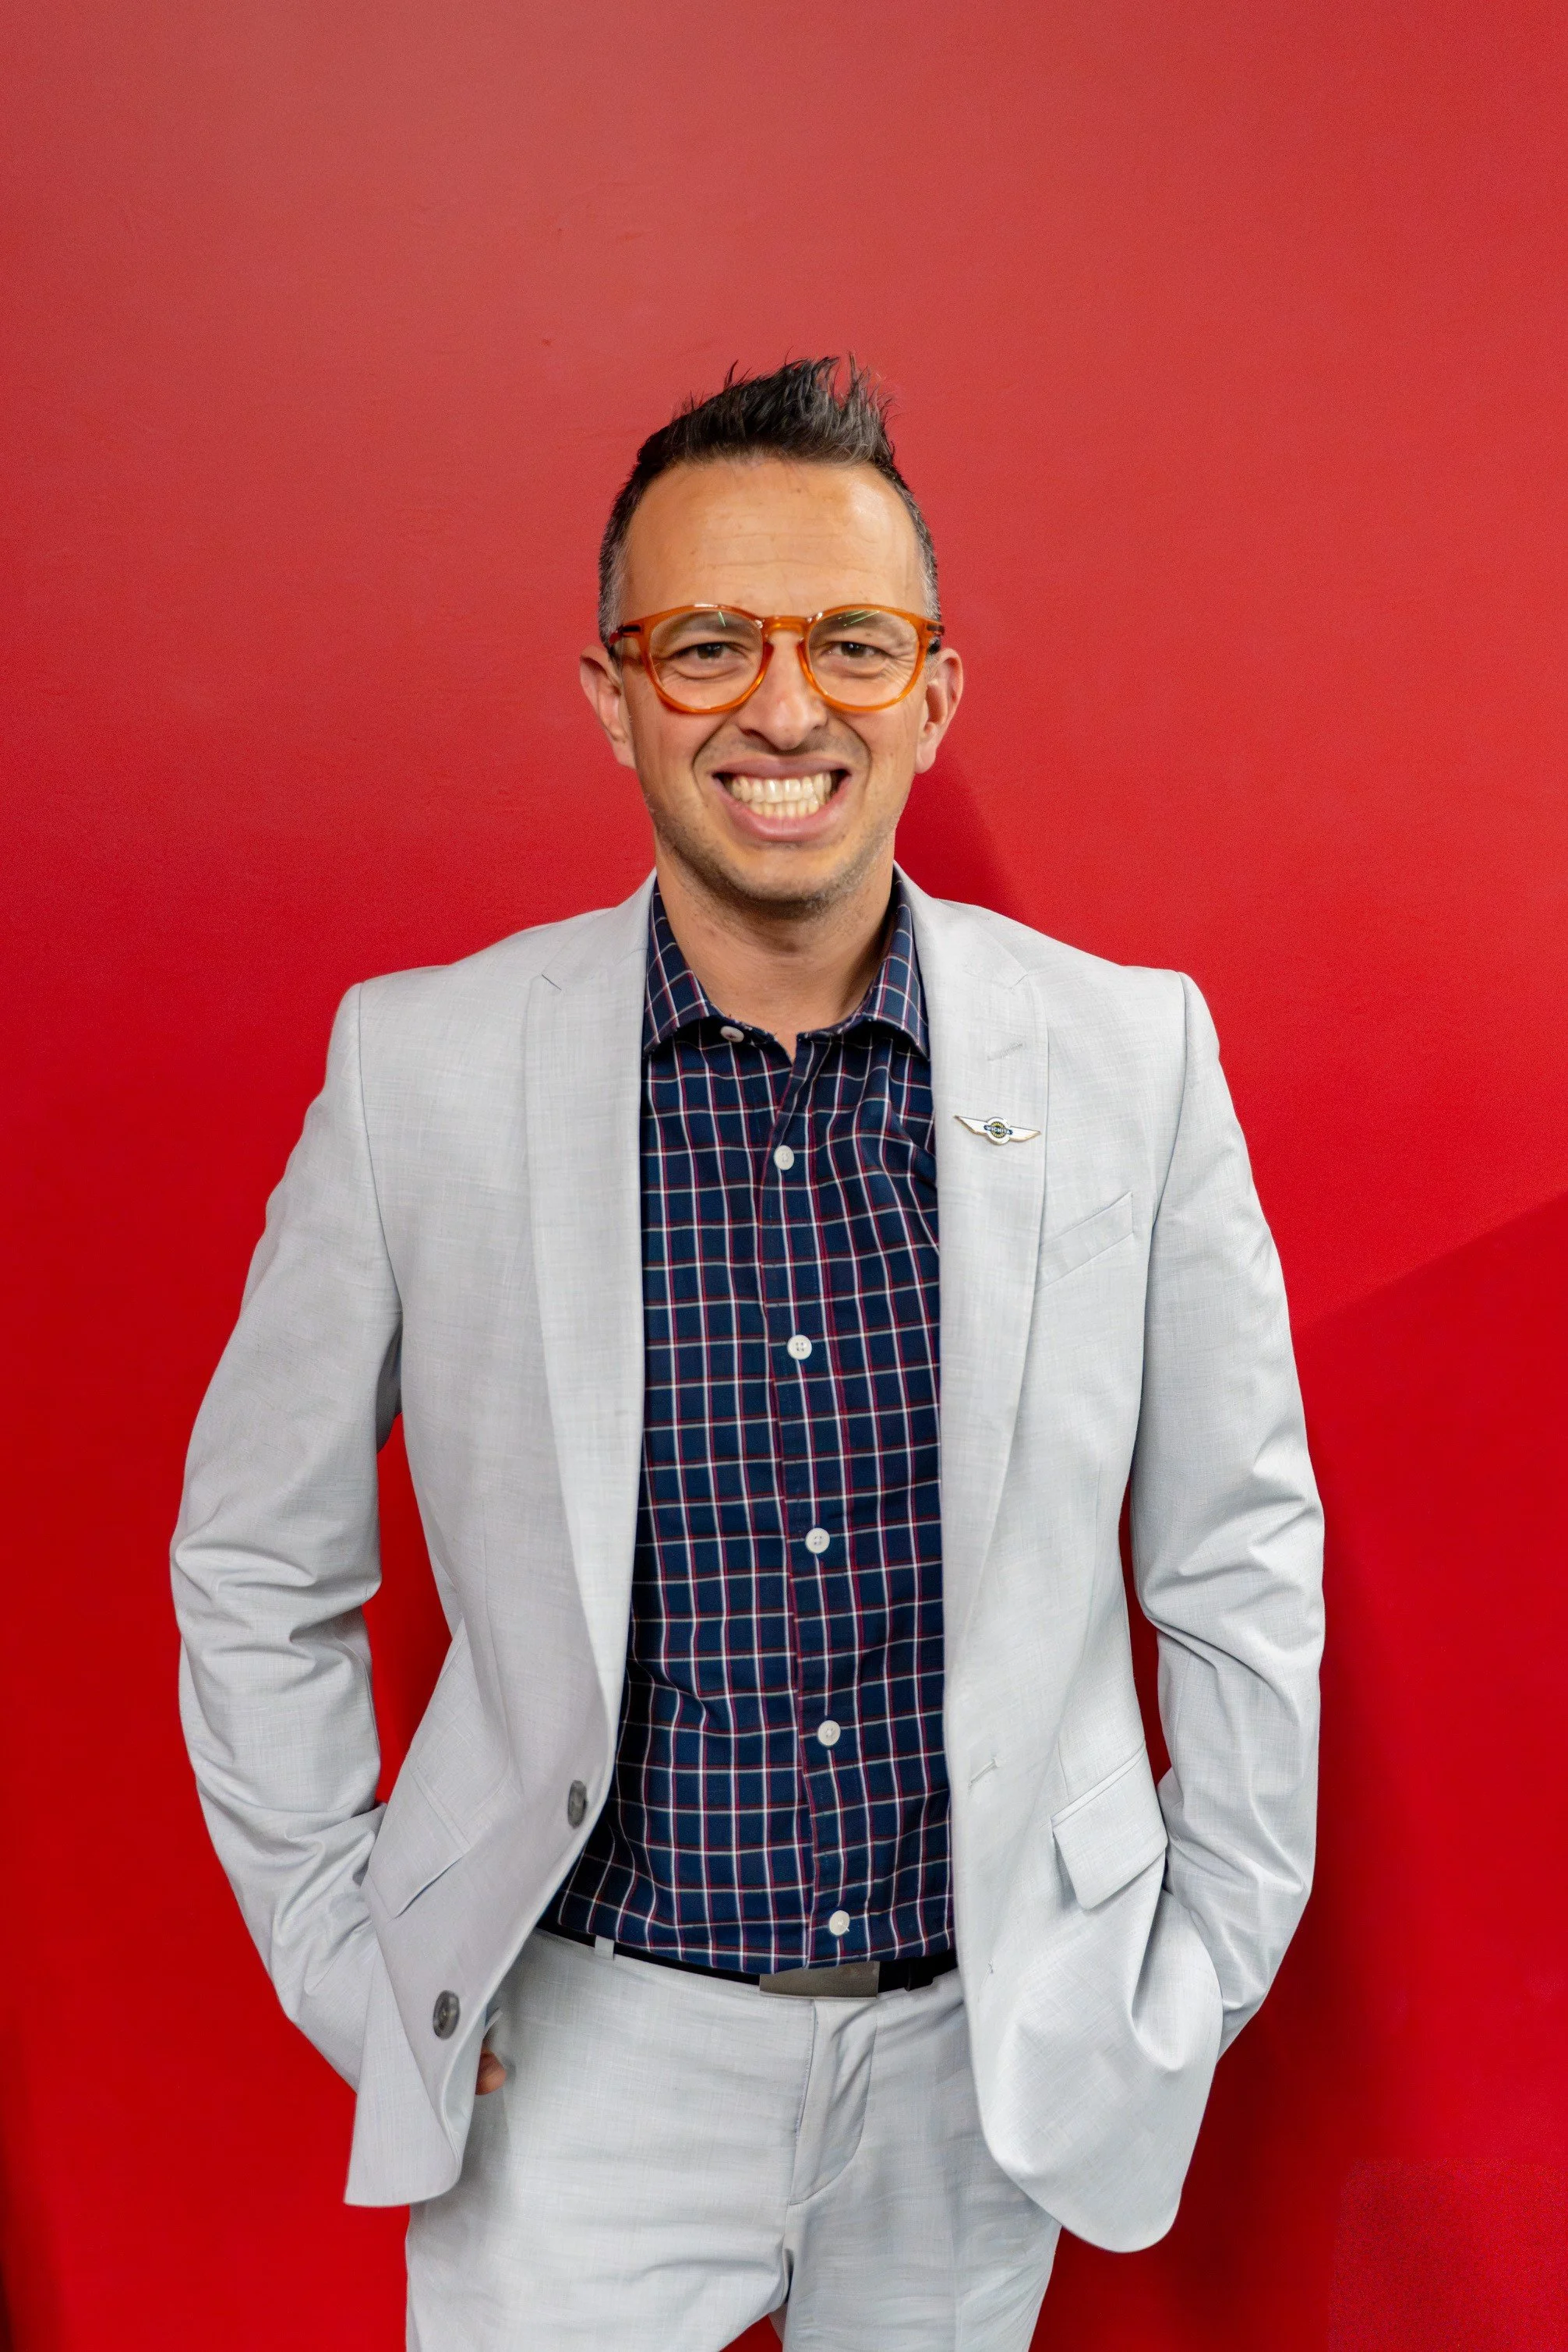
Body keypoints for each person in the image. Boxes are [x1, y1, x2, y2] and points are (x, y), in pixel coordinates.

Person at [172, 358, 1324, 2351]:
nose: (785, 709)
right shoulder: (421, 1070)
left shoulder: (1135, 1059)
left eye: (851, 645)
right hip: (581, 2050)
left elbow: (1235, 1551)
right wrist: (354, 1960)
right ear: (614, 693)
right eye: (707, 643)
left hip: (987, 2055)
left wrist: (1195, 1969)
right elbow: (256, 1563)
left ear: (933, 692)